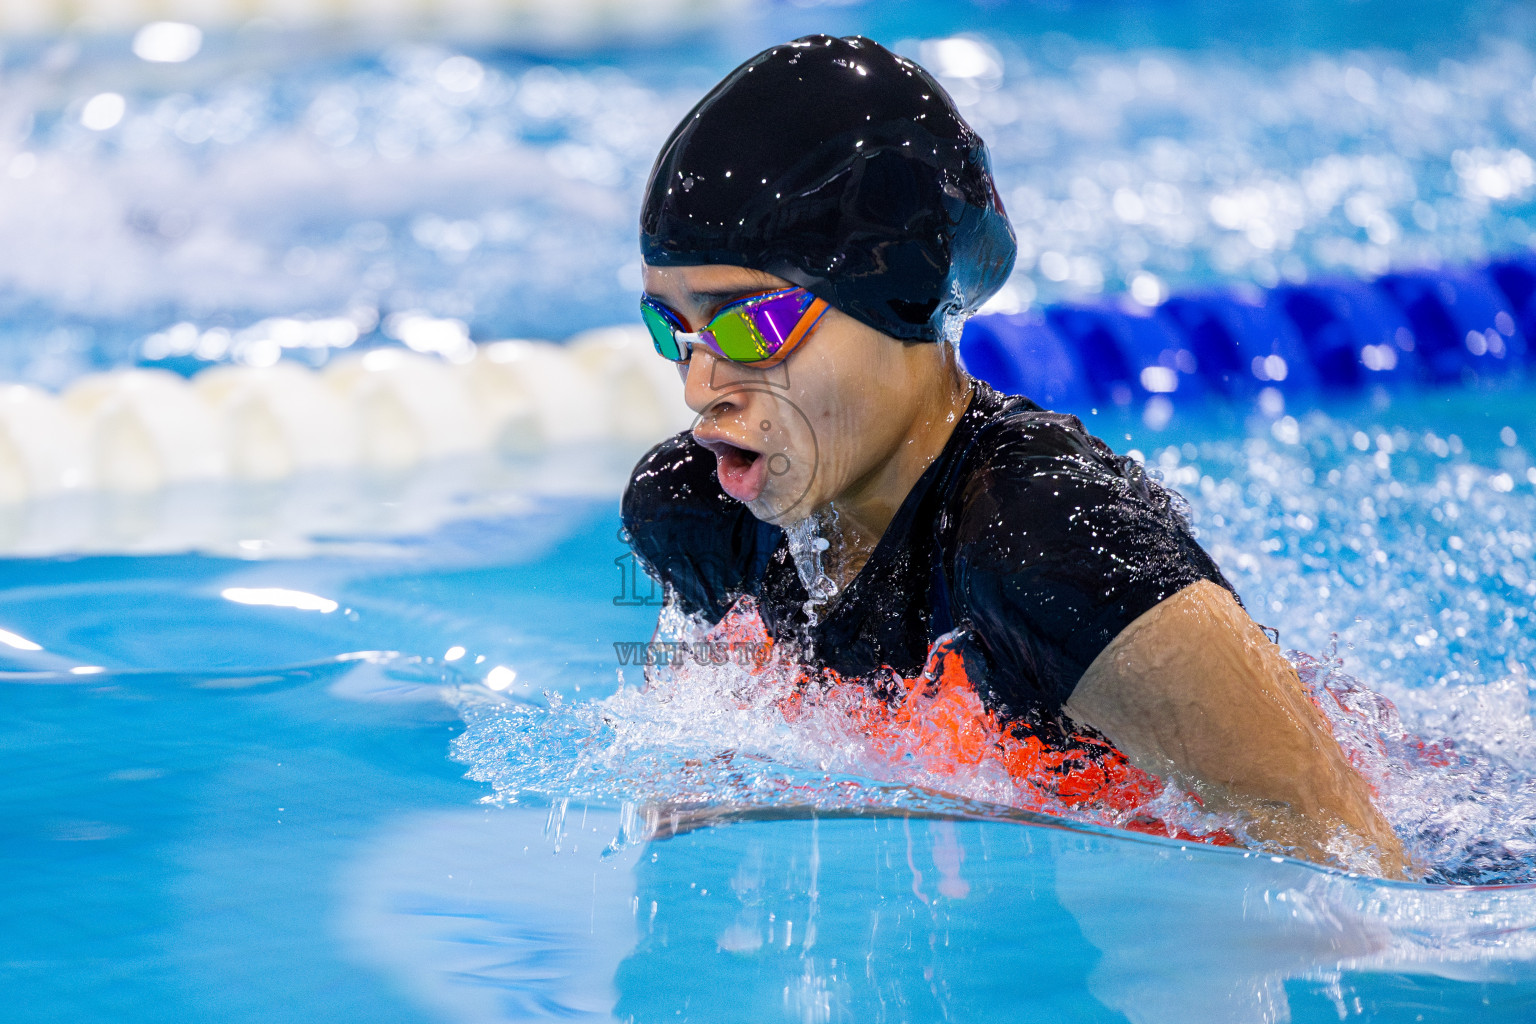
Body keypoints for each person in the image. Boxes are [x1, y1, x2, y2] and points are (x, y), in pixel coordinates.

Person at [621, 34, 1408, 874]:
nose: (700, 383)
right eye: (673, 327)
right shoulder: (699, 515)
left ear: (902, 299)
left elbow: (1356, 864)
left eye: (753, 323)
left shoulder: (1047, 538)